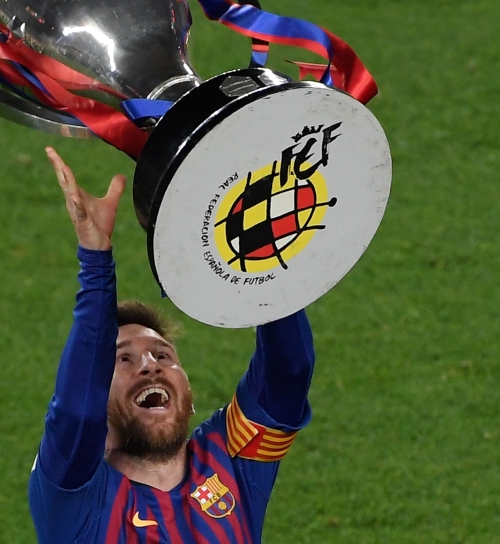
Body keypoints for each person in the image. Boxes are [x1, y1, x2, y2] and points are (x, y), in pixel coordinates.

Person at [29, 147, 315, 544]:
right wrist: (95, 259)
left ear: (190, 395)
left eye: (162, 355)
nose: (149, 365)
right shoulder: (72, 496)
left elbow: (289, 372)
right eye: (123, 359)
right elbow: (76, 411)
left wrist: (261, 250)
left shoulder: (228, 458)